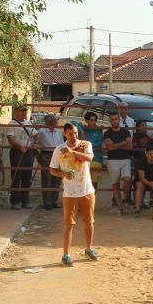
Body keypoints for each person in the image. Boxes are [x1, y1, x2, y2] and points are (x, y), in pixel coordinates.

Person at [48, 123, 98, 266]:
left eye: (75, 133)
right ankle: (66, 254)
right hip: (69, 192)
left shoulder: (85, 144)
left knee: (89, 221)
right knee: (68, 224)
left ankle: (89, 248)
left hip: (86, 190)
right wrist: (63, 174)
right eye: (70, 134)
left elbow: (89, 158)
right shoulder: (59, 150)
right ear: (65, 134)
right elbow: (52, 169)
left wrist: (72, 152)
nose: (74, 136)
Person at [5, 105, 37, 210]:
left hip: (29, 151)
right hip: (17, 152)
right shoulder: (12, 124)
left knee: (27, 176)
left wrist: (35, 143)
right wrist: (20, 146)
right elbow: (10, 138)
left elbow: (36, 135)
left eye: (25, 111)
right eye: (21, 111)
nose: (23, 113)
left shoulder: (29, 123)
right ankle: (15, 201)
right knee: (16, 176)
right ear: (16, 112)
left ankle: (25, 200)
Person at [104, 112, 133, 215]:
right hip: (113, 160)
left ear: (119, 120)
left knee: (127, 179)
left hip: (125, 159)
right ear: (110, 121)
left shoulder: (125, 131)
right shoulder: (107, 133)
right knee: (115, 185)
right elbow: (110, 147)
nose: (114, 121)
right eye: (112, 119)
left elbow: (129, 147)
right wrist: (123, 143)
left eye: (116, 119)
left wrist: (116, 145)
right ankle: (121, 208)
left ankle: (125, 199)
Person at [36, 114, 65, 210]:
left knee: (57, 179)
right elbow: (35, 143)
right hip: (46, 154)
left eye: (54, 122)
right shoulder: (41, 131)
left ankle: (54, 201)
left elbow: (62, 145)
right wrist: (38, 155)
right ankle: (47, 202)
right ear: (47, 123)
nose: (53, 124)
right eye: (51, 123)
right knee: (47, 179)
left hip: (57, 155)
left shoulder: (58, 132)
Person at [134, 146, 153, 217]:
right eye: (150, 154)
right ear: (146, 154)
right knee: (140, 185)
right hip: (142, 181)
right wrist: (151, 185)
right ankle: (137, 210)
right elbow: (141, 178)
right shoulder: (141, 162)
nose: (152, 155)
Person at [82, 112, 104, 190]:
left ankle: (92, 200)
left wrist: (87, 144)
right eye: (91, 120)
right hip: (85, 159)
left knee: (94, 182)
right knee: (84, 181)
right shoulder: (83, 129)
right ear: (86, 120)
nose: (93, 122)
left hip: (96, 158)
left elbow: (99, 143)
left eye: (94, 120)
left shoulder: (99, 130)